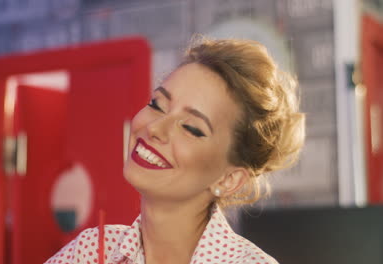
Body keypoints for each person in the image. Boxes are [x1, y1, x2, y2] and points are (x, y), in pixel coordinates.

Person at [45, 37, 305, 264]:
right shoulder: (91, 252)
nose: (155, 128)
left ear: (228, 179)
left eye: (191, 128)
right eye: (157, 104)